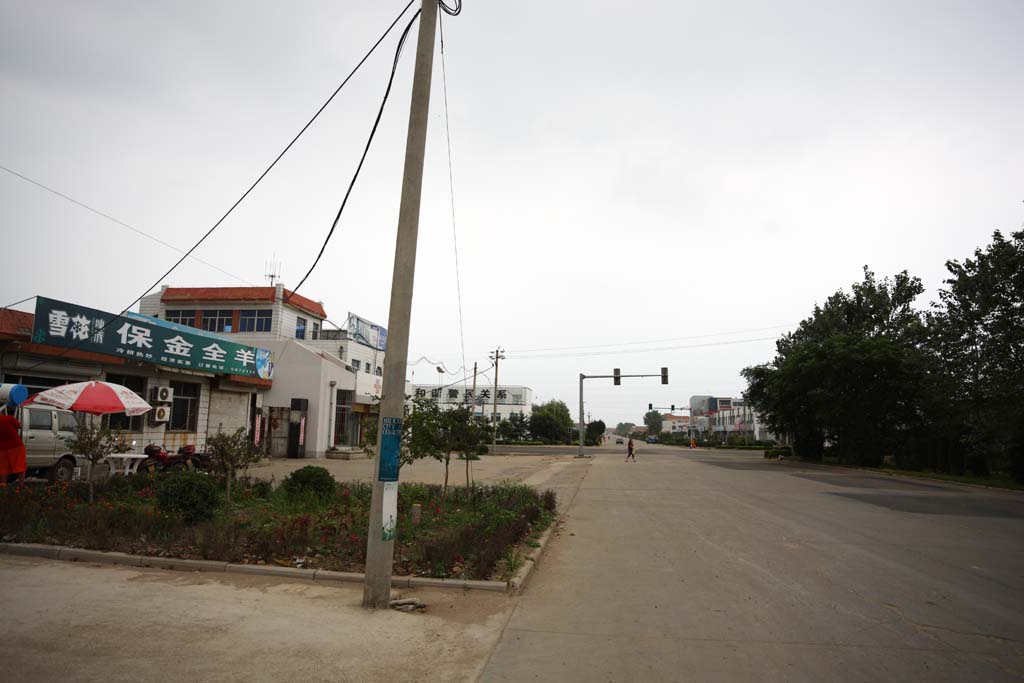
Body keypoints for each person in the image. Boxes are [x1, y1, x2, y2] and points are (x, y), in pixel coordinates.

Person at [0, 412, 27, 486]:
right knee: (20, 466)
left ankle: (3, 485)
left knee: (3, 468)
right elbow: (19, 426)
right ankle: (21, 485)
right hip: (16, 446)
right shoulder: (9, 418)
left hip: (2, 448)